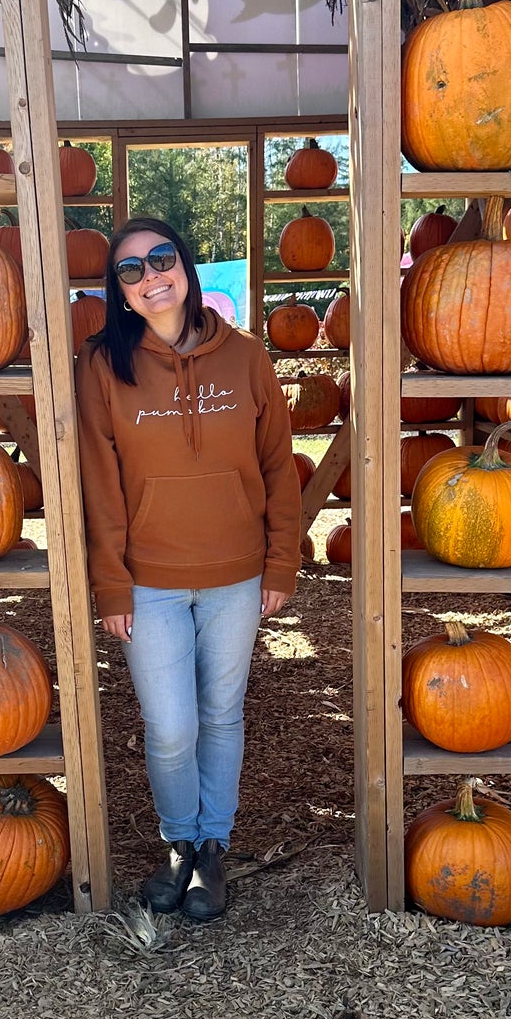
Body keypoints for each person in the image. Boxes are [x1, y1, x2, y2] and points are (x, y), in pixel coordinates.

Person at [74, 217, 302, 922]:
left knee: (220, 712)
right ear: (119, 290)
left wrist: (280, 561)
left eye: (161, 259)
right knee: (169, 725)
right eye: (130, 271)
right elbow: (99, 483)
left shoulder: (247, 357)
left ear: (186, 266)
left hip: (236, 573)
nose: (150, 277)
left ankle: (211, 849)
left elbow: (277, 464)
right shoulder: (102, 365)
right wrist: (110, 581)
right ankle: (180, 839)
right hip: (149, 581)